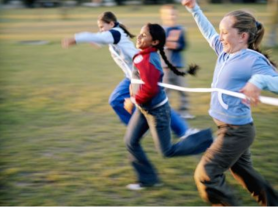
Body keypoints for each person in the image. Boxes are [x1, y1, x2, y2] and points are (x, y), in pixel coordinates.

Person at [182, 0, 278, 206]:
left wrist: (257, 81)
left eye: (225, 32)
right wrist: (195, 10)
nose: (220, 37)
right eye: (221, 32)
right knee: (246, 175)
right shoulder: (224, 51)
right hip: (226, 126)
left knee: (206, 174)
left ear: (243, 36)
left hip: (236, 131)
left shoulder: (252, 59)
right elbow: (209, 32)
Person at [61, 11, 199, 138]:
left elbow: (96, 37)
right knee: (116, 100)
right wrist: (95, 41)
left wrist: (75, 39)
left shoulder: (115, 33)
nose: (101, 30)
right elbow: (100, 39)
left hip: (143, 73)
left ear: (111, 24)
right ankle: (138, 128)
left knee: (159, 104)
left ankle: (184, 131)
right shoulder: (114, 33)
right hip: (132, 76)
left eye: (102, 27)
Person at [124, 23, 213, 191]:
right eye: (140, 33)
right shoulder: (141, 56)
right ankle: (148, 179)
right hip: (144, 109)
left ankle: (207, 140)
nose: (139, 37)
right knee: (130, 141)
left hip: (157, 112)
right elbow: (138, 81)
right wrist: (132, 91)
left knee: (167, 151)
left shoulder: (149, 59)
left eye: (144, 35)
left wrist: (133, 100)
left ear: (155, 42)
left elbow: (151, 88)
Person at [160, 5, 196, 119]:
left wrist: (177, 45)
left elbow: (184, 45)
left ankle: (184, 111)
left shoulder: (181, 29)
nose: (172, 16)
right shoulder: (161, 30)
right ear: (163, 16)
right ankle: (166, 112)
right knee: (165, 91)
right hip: (165, 66)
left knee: (183, 89)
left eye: (174, 14)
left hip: (178, 65)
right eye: (169, 14)